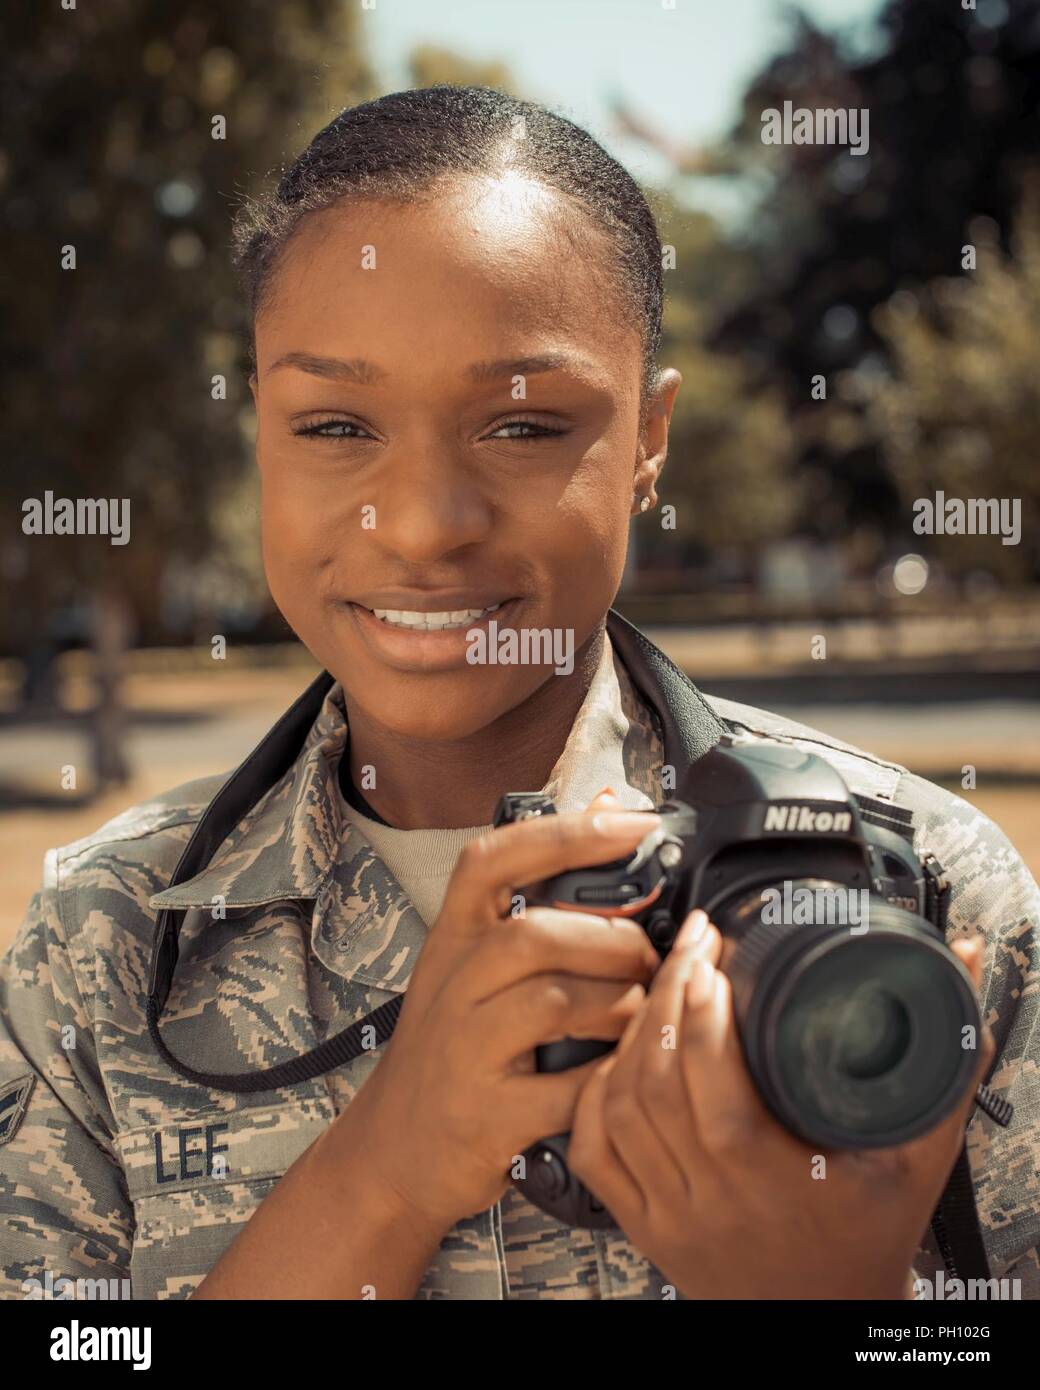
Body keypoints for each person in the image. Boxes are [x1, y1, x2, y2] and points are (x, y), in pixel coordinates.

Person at [1, 86, 1037, 1302]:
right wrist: (382, 1170)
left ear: (649, 437)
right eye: (335, 422)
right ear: (258, 435)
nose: (428, 524)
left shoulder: (914, 891)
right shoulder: (106, 942)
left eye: (524, 425)